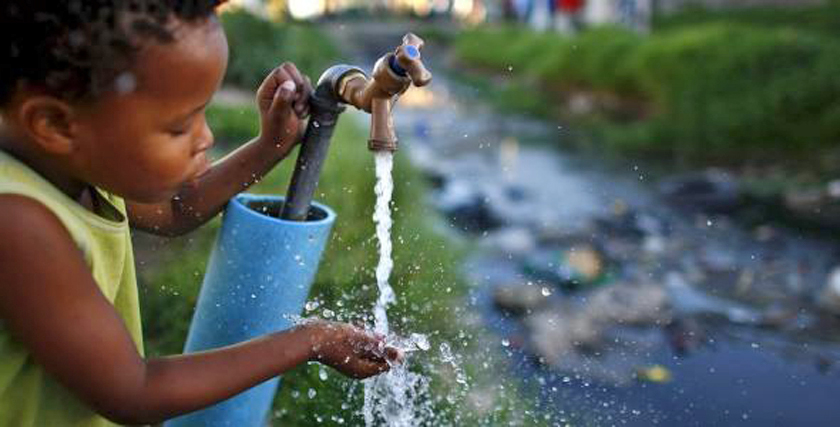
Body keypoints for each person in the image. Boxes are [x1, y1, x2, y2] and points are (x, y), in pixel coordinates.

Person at [0, 1, 400, 425]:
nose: (206, 137)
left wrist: (272, 145)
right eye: (179, 126)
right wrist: (310, 340)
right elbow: (133, 390)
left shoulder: (72, 163)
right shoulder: (16, 220)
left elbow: (174, 210)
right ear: (54, 124)